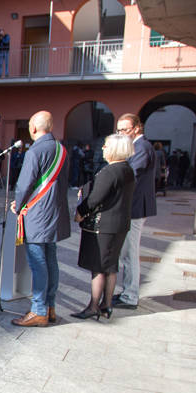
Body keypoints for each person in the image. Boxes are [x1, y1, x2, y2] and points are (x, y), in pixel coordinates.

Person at [9, 110, 70, 327]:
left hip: (37, 214)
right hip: (55, 212)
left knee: (38, 263)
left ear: (33, 128)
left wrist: (18, 203)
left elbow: (25, 184)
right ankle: (50, 306)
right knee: (51, 260)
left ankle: (38, 310)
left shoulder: (35, 151)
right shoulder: (62, 150)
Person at [71, 133, 136, 321]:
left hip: (103, 225)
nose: (103, 149)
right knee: (110, 265)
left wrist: (80, 211)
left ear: (115, 149)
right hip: (119, 224)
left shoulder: (110, 171)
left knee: (98, 266)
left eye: (106, 145)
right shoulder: (127, 169)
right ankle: (106, 305)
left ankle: (93, 306)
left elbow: (95, 199)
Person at [112, 113, 157, 310]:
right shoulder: (136, 146)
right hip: (132, 206)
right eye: (119, 130)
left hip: (135, 207)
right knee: (125, 253)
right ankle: (127, 292)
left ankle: (130, 296)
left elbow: (130, 175)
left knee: (130, 253)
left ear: (137, 128)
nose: (121, 134)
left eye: (125, 130)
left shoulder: (142, 147)